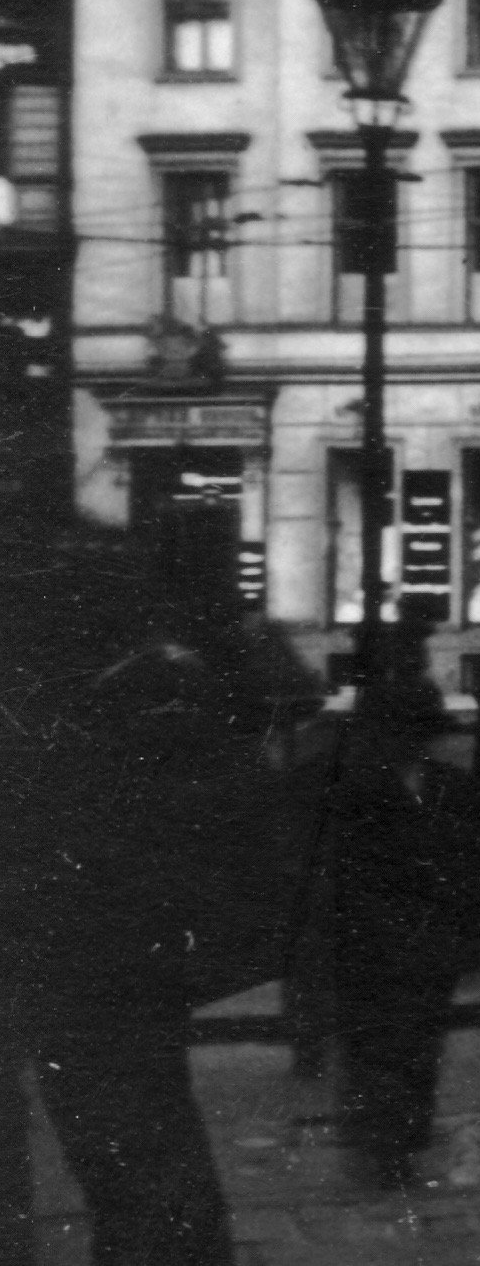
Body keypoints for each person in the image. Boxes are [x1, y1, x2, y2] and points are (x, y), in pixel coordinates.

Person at [0, 522, 241, 1266]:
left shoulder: (139, 694)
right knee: (135, 1156)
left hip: (99, 964)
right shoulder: (136, 688)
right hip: (106, 964)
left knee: (136, 1157)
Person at [328, 622, 480, 1190]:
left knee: (418, 1047)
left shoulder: (450, 785)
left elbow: (478, 867)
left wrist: (477, 939)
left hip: (430, 947)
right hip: (374, 947)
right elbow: (338, 878)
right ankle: (385, 1148)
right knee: (381, 1049)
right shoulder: (355, 790)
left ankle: (402, 1137)